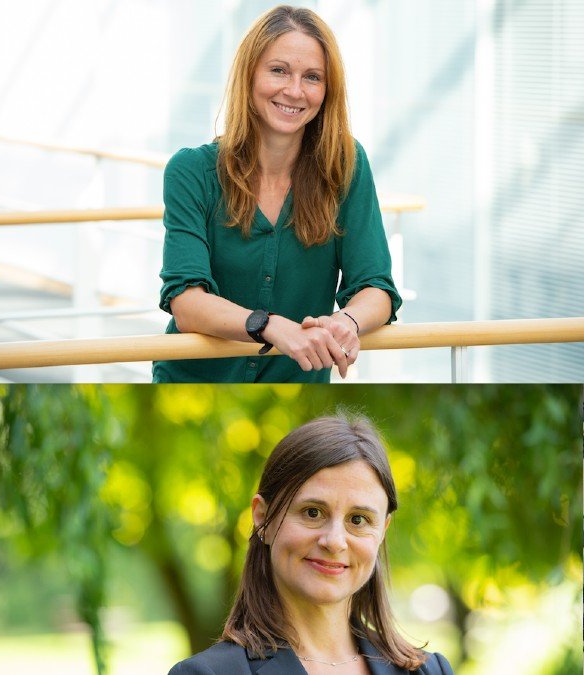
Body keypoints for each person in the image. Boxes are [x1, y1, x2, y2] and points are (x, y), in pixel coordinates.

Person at [155, 5, 401, 383]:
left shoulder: (346, 165)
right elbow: (186, 302)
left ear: (327, 90)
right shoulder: (191, 172)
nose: (295, 90)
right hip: (194, 382)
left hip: (297, 387)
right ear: (249, 74)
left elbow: (376, 288)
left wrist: (346, 322)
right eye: (279, 70)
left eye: (313, 77)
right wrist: (267, 326)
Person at [167, 416, 452, 674]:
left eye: (358, 519)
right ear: (262, 517)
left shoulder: (429, 671)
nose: (334, 542)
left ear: (382, 531)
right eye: (312, 512)